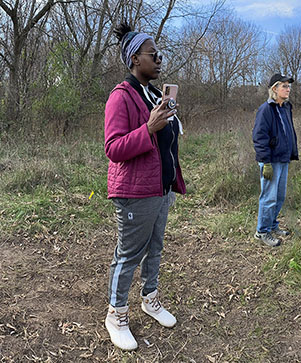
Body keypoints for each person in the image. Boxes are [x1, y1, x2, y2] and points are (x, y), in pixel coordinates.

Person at [103, 22, 185, 351]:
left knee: (156, 248)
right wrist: (149, 128)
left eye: (160, 54)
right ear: (136, 58)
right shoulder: (121, 97)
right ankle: (116, 314)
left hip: (161, 188)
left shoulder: (154, 95)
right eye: (154, 54)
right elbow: (113, 148)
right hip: (135, 193)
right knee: (128, 255)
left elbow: (166, 140)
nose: (160, 59)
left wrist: (170, 121)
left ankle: (149, 299)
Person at [252, 73, 299, 247]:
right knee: (269, 197)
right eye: (284, 86)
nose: (288, 89)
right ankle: (262, 232)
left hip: (283, 159)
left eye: (289, 86)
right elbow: (259, 136)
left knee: (279, 197)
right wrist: (265, 162)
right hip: (270, 161)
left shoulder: (285, 108)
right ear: (274, 89)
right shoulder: (266, 109)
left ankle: (272, 225)